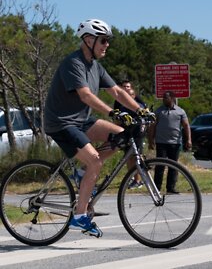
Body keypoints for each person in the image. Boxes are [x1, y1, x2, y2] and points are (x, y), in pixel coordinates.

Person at [43, 19, 154, 237]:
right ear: (89, 40)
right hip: (61, 122)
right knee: (94, 159)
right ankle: (79, 216)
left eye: (107, 41)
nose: (107, 45)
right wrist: (112, 112)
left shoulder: (96, 66)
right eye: (103, 40)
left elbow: (118, 92)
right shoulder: (73, 63)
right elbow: (85, 95)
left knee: (120, 135)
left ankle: (84, 174)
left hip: (81, 121)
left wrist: (140, 110)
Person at [148, 91, 191, 194]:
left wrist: (189, 139)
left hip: (175, 143)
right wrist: (151, 140)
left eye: (165, 98)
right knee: (160, 166)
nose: (163, 99)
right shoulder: (159, 111)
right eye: (163, 98)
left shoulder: (180, 111)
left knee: (173, 166)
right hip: (161, 142)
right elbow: (152, 126)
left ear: (172, 98)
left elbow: (186, 126)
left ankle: (171, 188)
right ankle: (156, 188)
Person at [113, 80, 147, 189]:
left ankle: (139, 179)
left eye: (128, 87)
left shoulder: (138, 102)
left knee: (137, 156)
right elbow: (115, 116)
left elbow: (144, 112)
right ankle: (132, 177)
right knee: (128, 156)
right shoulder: (118, 102)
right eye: (124, 87)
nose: (126, 90)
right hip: (126, 132)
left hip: (137, 133)